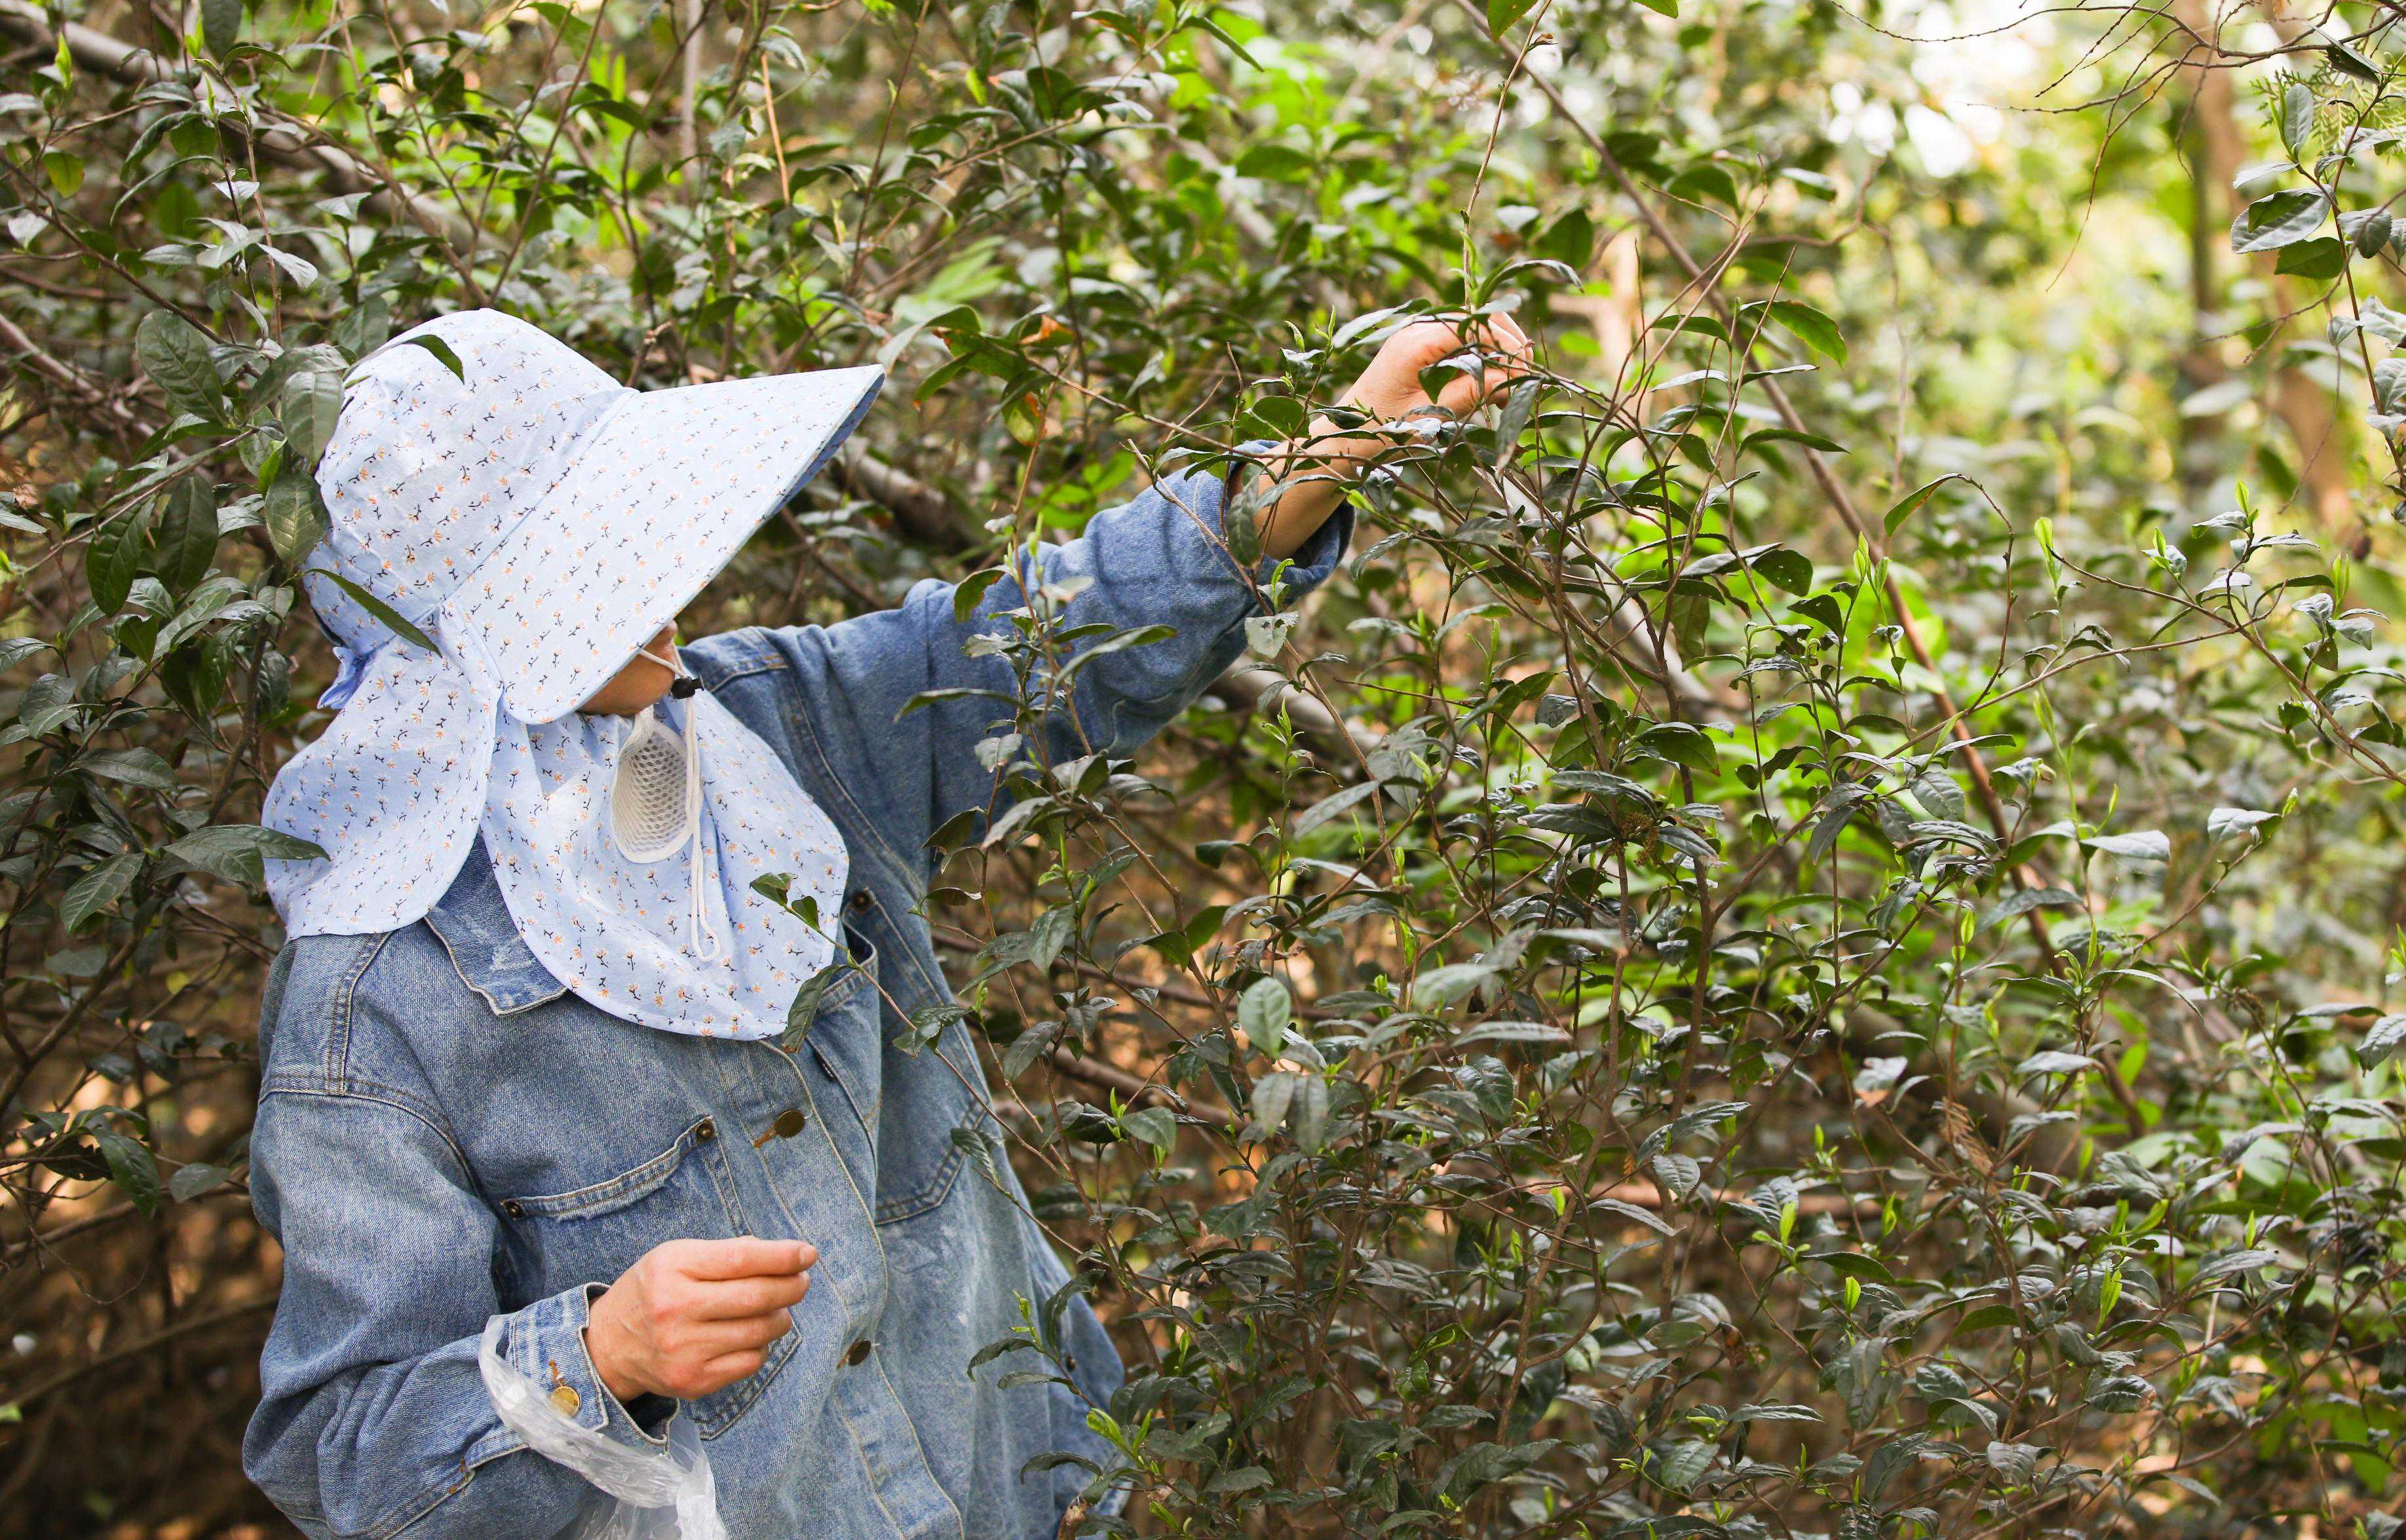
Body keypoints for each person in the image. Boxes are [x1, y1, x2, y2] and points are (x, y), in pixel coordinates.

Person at [239, 304, 1533, 1540]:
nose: (661, 580)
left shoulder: (766, 724)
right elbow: (346, 1449)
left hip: (1029, 1485)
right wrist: (602, 1354)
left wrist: (1327, 449)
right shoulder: (376, 996)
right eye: (589, 570)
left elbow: (1040, 641)